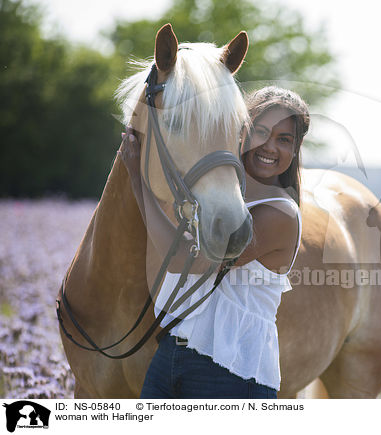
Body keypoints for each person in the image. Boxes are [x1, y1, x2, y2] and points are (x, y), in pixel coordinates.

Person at [120, 86, 309, 399]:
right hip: (171, 352)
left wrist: (138, 183)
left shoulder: (280, 214)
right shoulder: (215, 198)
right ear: (242, 133)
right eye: (260, 132)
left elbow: (189, 263)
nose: (269, 146)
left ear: (295, 150)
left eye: (284, 139)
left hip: (231, 371)